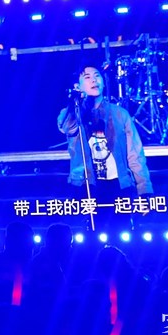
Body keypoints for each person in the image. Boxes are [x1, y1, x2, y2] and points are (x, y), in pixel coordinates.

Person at [57, 63, 153, 232]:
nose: (94, 80)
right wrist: (77, 103)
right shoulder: (71, 114)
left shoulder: (120, 114)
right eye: (87, 77)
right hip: (87, 186)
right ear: (78, 86)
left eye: (97, 76)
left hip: (119, 186)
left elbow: (135, 154)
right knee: (91, 236)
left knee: (123, 233)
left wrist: (144, 190)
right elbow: (67, 128)